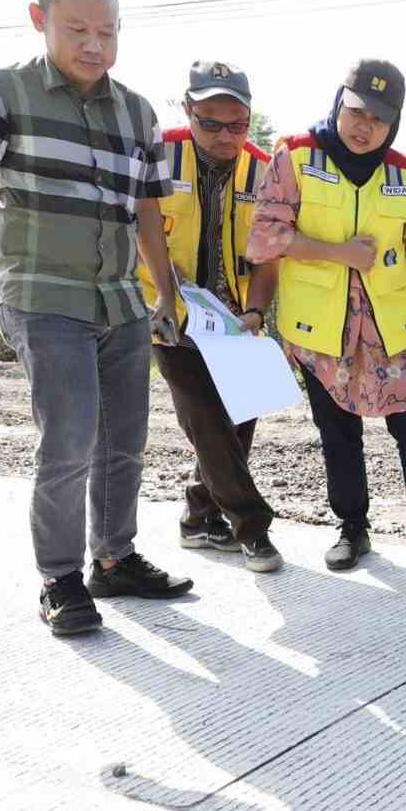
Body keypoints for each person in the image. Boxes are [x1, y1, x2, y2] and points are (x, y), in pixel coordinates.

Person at [0, 0, 193, 637]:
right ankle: (60, 578)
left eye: (107, 32)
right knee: (70, 438)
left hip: (121, 299)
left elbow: (149, 211)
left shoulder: (139, 112)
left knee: (125, 440)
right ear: (38, 18)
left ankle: (114, 557)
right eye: (77, 29)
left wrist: (166, 290)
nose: (94, 45)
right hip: (43, 293)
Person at [246, 59, 406, 576]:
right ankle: (352, 527)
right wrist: (337, 251)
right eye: (356, 112)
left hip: (394, 329)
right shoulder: (296, 157)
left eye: (379, 119)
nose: (364, 126)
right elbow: (263, 238)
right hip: (321, 329)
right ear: (338, 102)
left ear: (394, 123)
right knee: (338, 430)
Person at [138, 60, 282, 573]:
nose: (226, 135)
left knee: (241, 420)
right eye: (211, 123)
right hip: (170, 314)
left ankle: (198, 517)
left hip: (237, 318)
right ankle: (252, 528)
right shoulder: (158, 154)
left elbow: (267, 253)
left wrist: (257, 312)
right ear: (188, 110)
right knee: (206, 421)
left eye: (237, 124)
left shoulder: (263, 169)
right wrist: (163, 296)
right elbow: (142, 226)